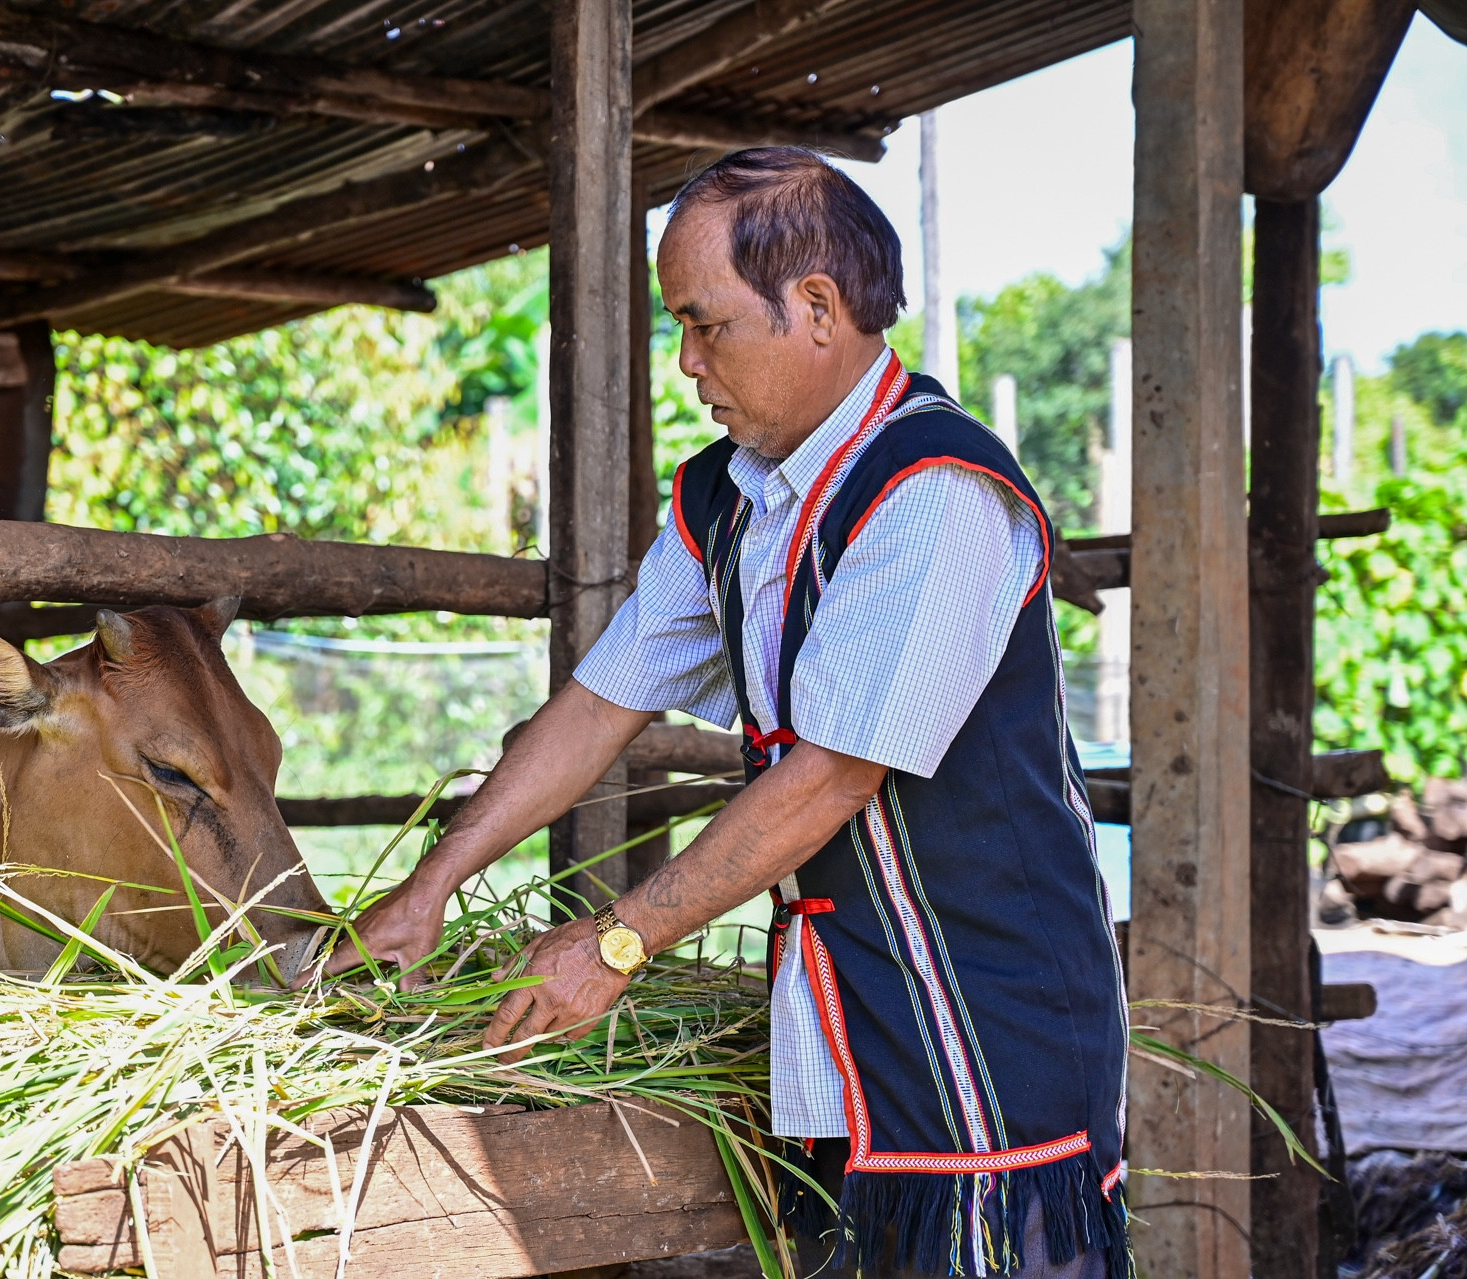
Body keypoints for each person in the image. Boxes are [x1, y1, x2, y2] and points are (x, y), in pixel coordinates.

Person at [325, 147, 1129, 1279]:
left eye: (707, 326)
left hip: (983, 1025)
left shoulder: (935, 491)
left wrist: (618, 939)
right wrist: (431, 886)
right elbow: (601, 704)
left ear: (815, 308)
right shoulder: (734, 496)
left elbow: (835, 776)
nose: (689, 362)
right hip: (842, 1027)